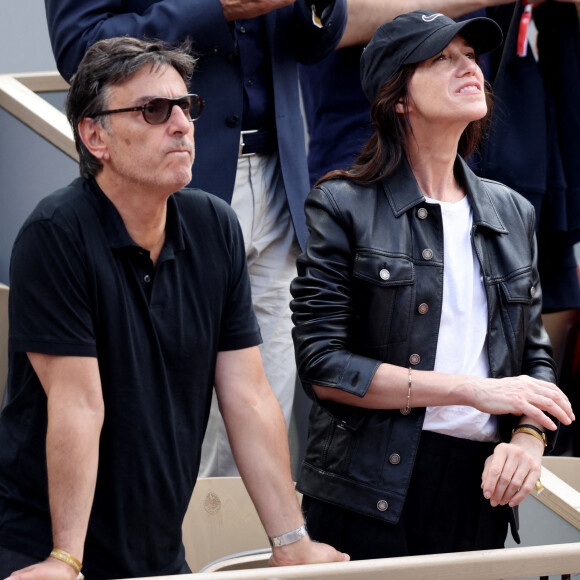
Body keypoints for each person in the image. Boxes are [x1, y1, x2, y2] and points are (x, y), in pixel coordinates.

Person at [0, 37, 349, 580]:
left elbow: (250, 396)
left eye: (187, 106)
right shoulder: (55, 233)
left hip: (157, 550)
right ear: (96, 136)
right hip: (40, 548)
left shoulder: (214, 226)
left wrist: (291, 541)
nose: (182, 124)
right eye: (153, 110)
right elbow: (78, 406)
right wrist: (65, 559)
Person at [290, 11, 575, 560]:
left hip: (479, 490)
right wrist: (473, 390)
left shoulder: (511, 211)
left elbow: (534, 361)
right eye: (441, 58)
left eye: (470, 56)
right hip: (367, 488)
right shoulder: (341, 204)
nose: (468, 67)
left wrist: (527, 439)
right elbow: (325, 367)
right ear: (399, 98)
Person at [43, 0, 347, 478]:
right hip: (167, 181)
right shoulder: (52, 233)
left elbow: (314, 42)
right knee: (166, 411)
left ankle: (240, 550)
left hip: (281, 175)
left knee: (263, 399)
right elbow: (83, 49)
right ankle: (172, 551)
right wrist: (218, 7)